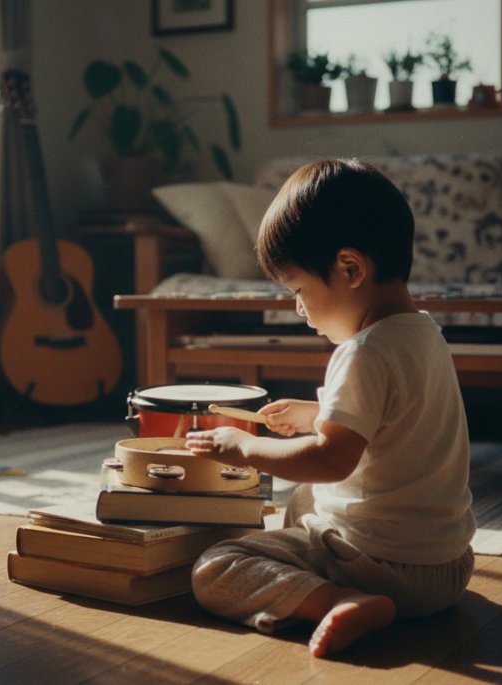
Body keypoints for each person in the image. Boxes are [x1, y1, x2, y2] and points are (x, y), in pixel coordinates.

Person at [184, 158, 476, 658]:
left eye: (299, 290)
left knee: (216, 566)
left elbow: (330, 461)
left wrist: (246, 447)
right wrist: (316, 415)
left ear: (350, 268)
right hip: (448, 568)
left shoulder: (362, 351)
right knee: (304, 504)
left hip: (383, 569)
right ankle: (340, 586)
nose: (298, 309)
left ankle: (343, 600)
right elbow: (399, 425)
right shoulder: (426, 333)